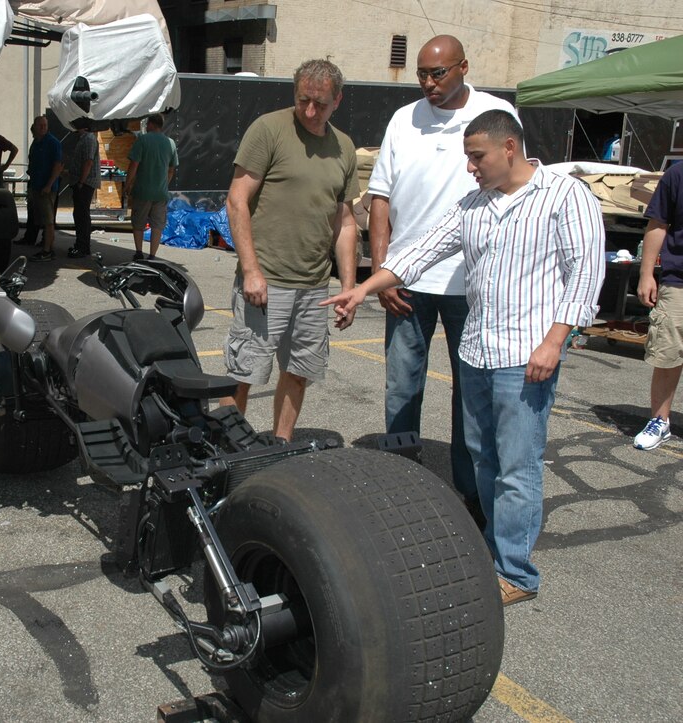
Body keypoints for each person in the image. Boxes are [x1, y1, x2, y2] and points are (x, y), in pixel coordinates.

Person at [324, 110, 604, 606]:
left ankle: (515, 572)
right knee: (481, 457)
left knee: (518, 466)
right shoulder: (474, 205)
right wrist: (363, 288)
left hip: (527, 354)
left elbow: (584, 273)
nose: (470, 167)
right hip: (476, 350)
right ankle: (492, 546)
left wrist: (555, 341)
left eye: (477, 157)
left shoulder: (565, 196)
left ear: (509, 148)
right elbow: (421, 252)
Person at [368, 35, 517, 523]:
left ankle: (468, 492)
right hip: (408, 282)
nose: (429, 84)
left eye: (439, 74)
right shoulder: (403, 120)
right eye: (422, 75)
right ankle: (397, 480)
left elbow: (516, 194)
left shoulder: (496, 116)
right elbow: (381, 200)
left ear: (464, 67)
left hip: (472, 286)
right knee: (402, 388)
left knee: (470, 394)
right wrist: (382, 270)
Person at [219, 58, 360, 442]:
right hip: (267, 283)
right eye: (303, 101)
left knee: (299, 371)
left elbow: (345, 223)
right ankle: (227, 452)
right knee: (243, 373)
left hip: (314, 289)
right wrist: (251, 269)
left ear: (338, 100)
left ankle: (279, 446)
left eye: (321, 104)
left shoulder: (343, 148)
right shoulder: (269, 130)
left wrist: (348, 287)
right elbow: (237, 200)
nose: (310, 111)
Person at [633, 160, 683, 450]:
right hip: (677, 281)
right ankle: (660, 421)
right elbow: (658, 223)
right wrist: (646, 273)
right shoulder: (677, 174)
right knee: (668, 354)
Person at [124, 113, 178, 261]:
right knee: (157, 225)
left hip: (142, 190)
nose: (146, 127)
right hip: (160, 193)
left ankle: (139, 252)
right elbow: (172, 169)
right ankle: (153, 255)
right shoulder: (171, 143)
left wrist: (127, 185)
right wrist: (164, 184)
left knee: (138, 223)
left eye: (147, 124)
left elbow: (133, 165)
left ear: (152, 124)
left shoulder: (142, 140)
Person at [23, 116, 63, 261]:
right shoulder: (36, 142)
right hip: (36, 185)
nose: (42, 128)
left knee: (48, 220)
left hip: (46, 188)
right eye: (40, 125)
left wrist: (49, 185)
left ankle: (47, 251)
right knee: (41, 219)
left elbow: (58, 166)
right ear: (34, 126)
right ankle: (46, 245)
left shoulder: (53, 143)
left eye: (44, 125)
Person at [67, 118, 101, 259]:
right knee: (80, 214)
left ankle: (83, 246)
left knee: (81, 215)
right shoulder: (85, 138)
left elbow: (88, 161)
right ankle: (81, 245)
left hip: (85, 183)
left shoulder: (88, 139)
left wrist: (81, 181)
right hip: (83, 181)